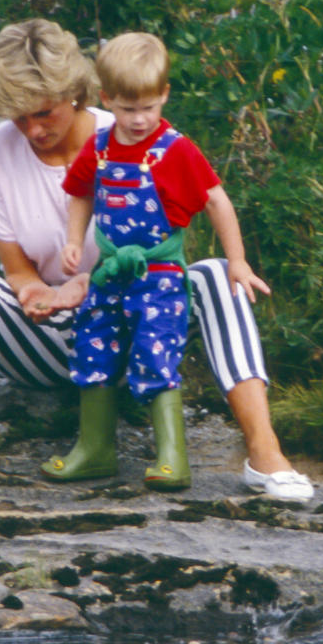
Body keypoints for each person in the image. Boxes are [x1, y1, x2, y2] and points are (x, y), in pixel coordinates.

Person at [0, 19, 313, 510]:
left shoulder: (135, 130)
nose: (33, 130)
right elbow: (17, 269)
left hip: (135, 331)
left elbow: (166, 253)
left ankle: (265, 453)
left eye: (43, 113)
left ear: (78, 93)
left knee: (217, 274)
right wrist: (34, 293)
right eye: (17, 118)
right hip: (45, 342)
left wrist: (89, 282)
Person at [45, 31, 263, 492]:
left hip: (158, 274)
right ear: (107, 100)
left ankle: (173, 457)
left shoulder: (176, 149)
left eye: (148, 106)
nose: (139, 119)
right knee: (93, 344)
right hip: (109, 273)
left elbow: (217, 201)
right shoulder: (100, 147)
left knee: (155, 352)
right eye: (127, 108)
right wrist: (72, 240)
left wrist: (236, 261)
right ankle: (96, 450)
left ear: (164, 95)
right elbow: (82, 193)